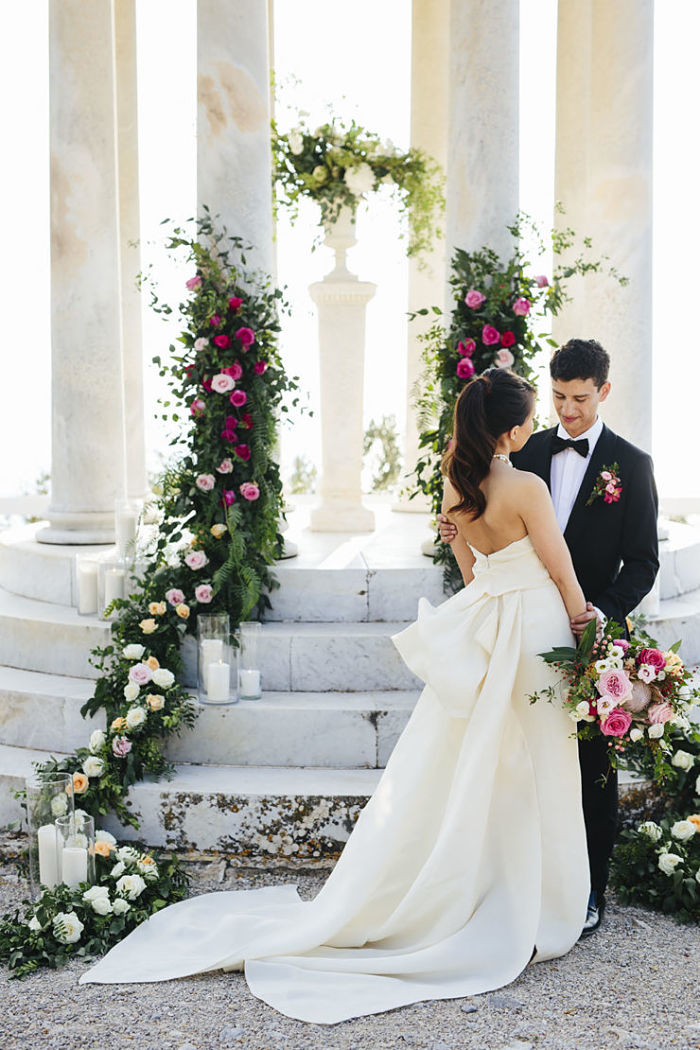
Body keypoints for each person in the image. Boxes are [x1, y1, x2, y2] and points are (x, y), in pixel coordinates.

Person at [80, 368, 591, 1024]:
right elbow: (559, 566)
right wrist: (585, 627)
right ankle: (537, 899)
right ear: (516, 429)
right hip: (537, 627)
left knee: (481, 765)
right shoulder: (524, 483)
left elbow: (472, 574)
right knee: (540, 763)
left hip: (491, 623)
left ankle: (478, 886)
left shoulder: (456, 484)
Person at [438, 339, 659, 937]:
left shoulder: (631, 465)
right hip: (524, 628)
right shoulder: (520, 448)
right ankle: (523, 883)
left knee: (592, 767)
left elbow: (642, 563)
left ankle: (589, 891)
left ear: (603, 392)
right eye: (557, 397)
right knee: (520, 759)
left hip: (589, 633)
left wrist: (599, 619)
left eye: (579, 399)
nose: (566, 410)